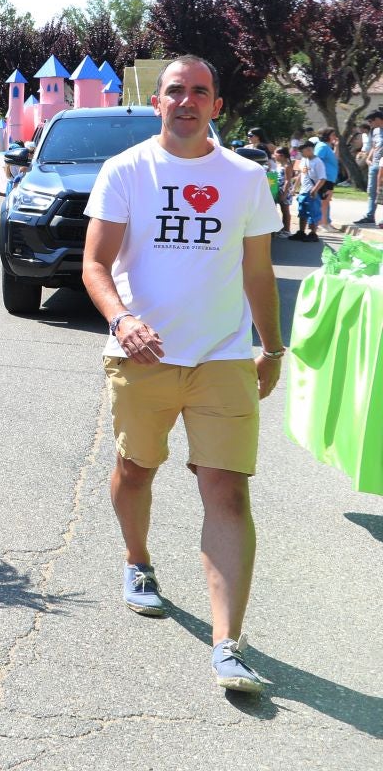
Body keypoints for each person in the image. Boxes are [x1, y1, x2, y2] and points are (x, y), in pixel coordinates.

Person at [82, 55, 286, 695]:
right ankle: (137, 560)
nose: (187, 100)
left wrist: (271, 348)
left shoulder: (247, 178)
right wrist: (122, 322)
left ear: (217, 106)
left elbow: (258, 273)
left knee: (227, 489)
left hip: (223, 356)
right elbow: (95, 264)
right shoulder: (127, 171)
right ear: (158, 102)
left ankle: (229, 643)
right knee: (136, 469)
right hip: (142, 355)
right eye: (176, 91)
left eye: (201, 91)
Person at [291, 142, 324, 241]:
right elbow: (302, 174)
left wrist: (314, 189)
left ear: (310, 149)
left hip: (312, 192)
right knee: (302, 212)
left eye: (303, 151)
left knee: (313, 213)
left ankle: (313, 234)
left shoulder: (318, 162)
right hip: (303, 191)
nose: (301, 153)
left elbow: (322, 178)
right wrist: (294, 187)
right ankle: (301, 232)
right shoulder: (303, 160)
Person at [357, 109, 383, 227]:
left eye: (370, 121)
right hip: (374, 165)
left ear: (377, 119)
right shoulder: (375, 131)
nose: (369, 123)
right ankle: (369, 216)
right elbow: (374, 146)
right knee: (372, 192)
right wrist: (368, 158)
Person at [312, 130, 341, 231]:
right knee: (324, 201)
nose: (335, 136)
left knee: (326, 201)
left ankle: (325, 223)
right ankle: (322, 223)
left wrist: (336, 146)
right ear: (326, 135)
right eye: (333, 134)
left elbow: (335, 158)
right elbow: (316, 159)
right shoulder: (322, 146)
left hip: (329, 178)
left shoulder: (327, 146)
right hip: (325, 177)